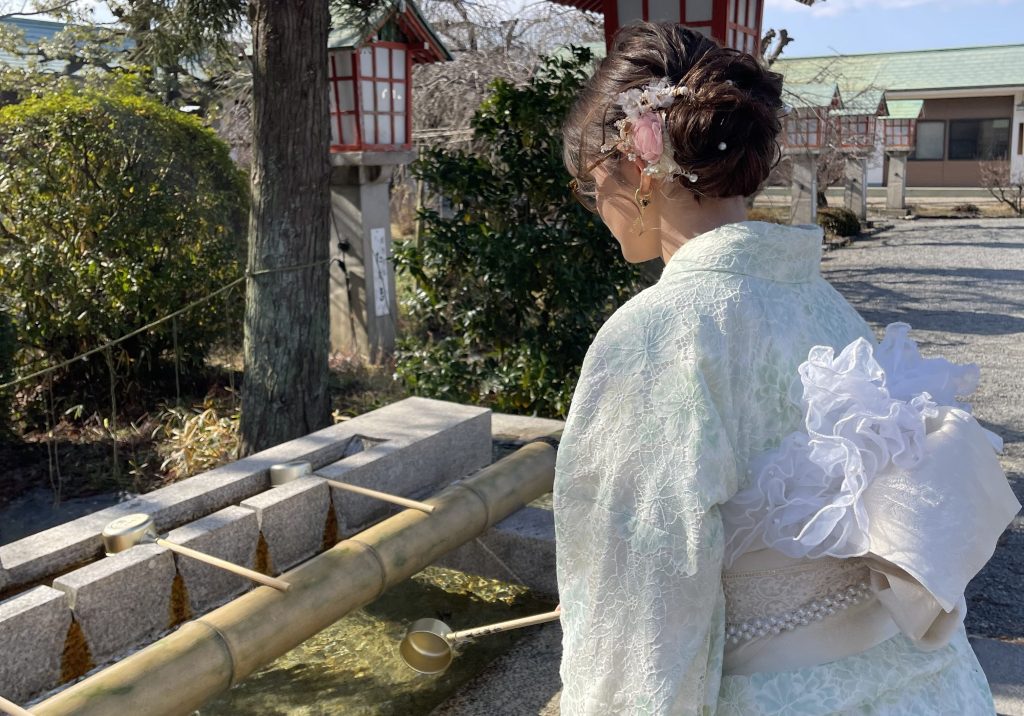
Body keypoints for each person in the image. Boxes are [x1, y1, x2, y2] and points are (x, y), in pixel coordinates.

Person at [553, 21, 1020, 715]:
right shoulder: (824, 305)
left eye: (592, 189)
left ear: (635, 167)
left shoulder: (657, 336)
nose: (602, 213)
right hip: (923, 686)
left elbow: (638, 609)